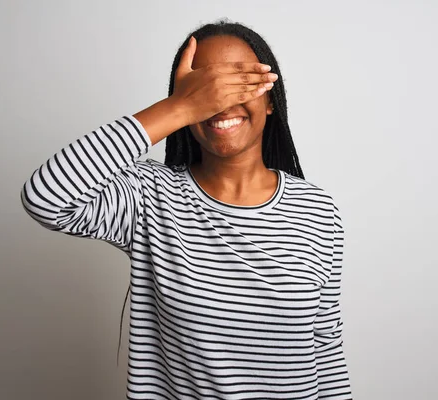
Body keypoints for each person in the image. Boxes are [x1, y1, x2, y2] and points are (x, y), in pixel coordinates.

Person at [21, 20, 352, 400]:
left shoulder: (317, 209)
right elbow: (45, 196)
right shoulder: (149, 197)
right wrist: (179, 108)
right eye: (205, 88)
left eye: (238, 82)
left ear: (271, 99)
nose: (221, 101)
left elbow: (325, 345)